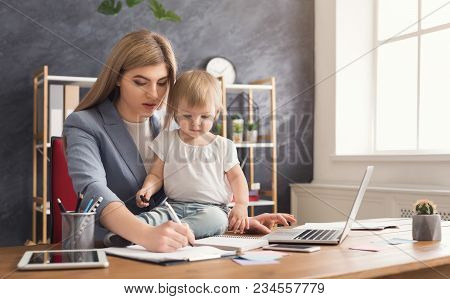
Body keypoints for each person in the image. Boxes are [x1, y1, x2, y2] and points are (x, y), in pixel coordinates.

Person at [63, 29, 296, 253]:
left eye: (162, 82)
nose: (154, 94)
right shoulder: (84, 124)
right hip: (111, 249)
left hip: (173, 247)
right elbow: (95, 191)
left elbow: (195, 194)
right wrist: (145, 234)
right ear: (117, 78)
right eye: (140, 82)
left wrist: (236, 219)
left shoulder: (177, 127)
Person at [135, 70, 249, 238]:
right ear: (175, 113)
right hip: (173, 207)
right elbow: (156, 174)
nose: (195, 123)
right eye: (187, 116)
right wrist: (147, 189)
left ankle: (174, 232)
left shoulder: (224, 146)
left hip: (212, 209)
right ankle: (131, 232)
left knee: (218, 221)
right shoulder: (166, 140)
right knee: (151, 217)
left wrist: (241, 204)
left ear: (216, 113)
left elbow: (237, 178)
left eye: (205, 116)